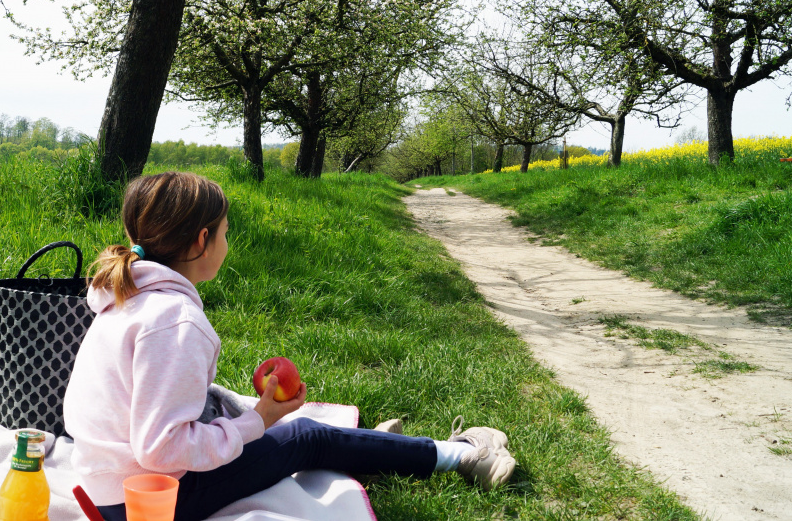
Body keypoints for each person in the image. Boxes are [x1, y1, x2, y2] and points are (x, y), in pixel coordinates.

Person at [62, 172, 516, 521]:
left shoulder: (125, 299)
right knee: (307, 435)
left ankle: (372, 448)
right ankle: (464, 455)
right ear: (203, 240)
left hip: (105, 486)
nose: (225, 240)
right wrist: (259, 420)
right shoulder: (176, 321)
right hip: (148, 504)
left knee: (257, 421)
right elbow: (161, 450)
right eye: (224, 231)